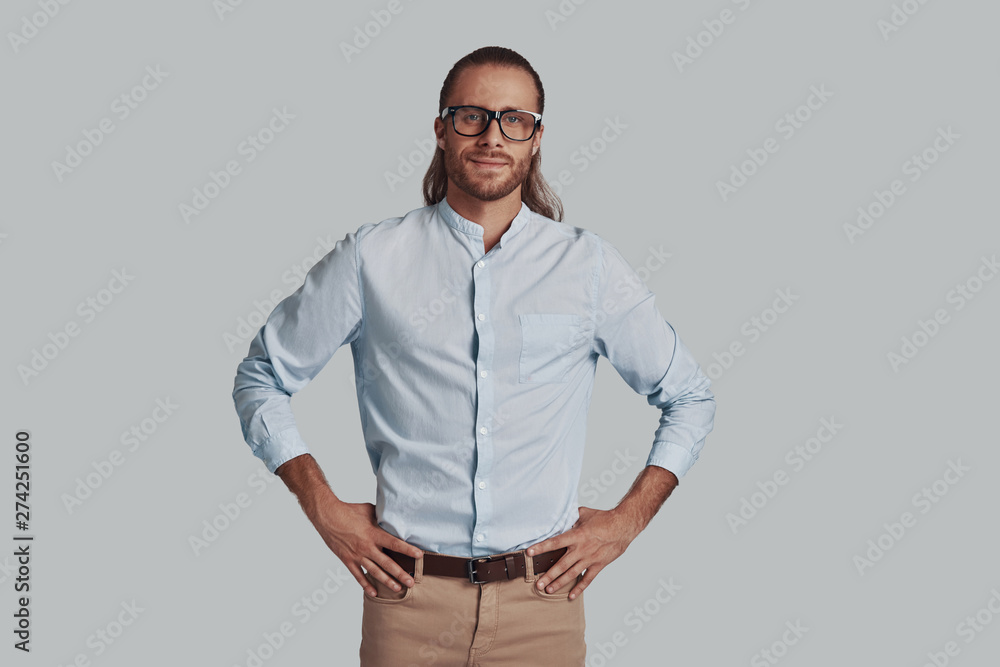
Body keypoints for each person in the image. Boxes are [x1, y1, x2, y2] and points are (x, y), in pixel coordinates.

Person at [232, 45, 716, 666]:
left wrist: (626, 522)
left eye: (515, 120)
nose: (493, 136)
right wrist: (322, 506)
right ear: (441, 129)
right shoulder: (371, 259)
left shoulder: (587, 267)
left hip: (544, 604)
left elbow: (689, 397)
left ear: (536, 138)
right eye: (472, 116)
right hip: (406, 601)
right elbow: (262, 376)